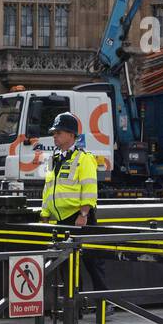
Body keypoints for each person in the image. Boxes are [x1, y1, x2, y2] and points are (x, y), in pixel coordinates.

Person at [40, 111, 107, 292]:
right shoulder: (53, 159)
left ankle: (105, 301)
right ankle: (74, 308)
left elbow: (89, 188)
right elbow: (48, 189)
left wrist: (83, 214)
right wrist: (45, 215)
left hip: (79, 218)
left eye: (58, 133)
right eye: (54, 133)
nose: (54, 136)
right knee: (66, 264)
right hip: (61, 220)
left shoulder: (84, 158)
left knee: (92, 261)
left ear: (71, 135)